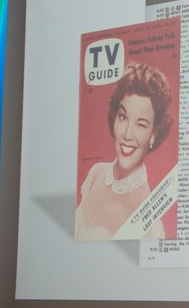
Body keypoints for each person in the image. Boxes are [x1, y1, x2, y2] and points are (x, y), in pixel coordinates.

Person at [75, 61, 176, 240]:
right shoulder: (96, 173)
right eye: (123, 117)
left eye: (141, 124)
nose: (127, 134)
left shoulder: (148, 217)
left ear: (154, 133)